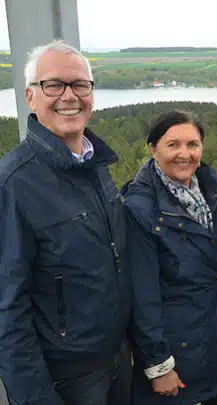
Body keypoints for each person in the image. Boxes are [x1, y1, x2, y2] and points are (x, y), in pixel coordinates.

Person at [0, 40, 131, 405]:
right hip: (66, 379)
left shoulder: (95, 166)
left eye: (79, 85)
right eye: (53, 85)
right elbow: (7, 310)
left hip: (117, 360)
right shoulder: (13, 185)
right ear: (31, 96)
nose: (69, 96)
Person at [121, 110, 217, 405]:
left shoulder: (214, 192)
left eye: (193, 144)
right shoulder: (139, 209)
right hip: (176, 357)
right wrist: (159, 365)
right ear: (153, 149)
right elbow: (142, 295)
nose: (184, 154)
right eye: (173, 145)